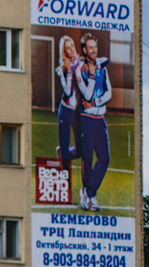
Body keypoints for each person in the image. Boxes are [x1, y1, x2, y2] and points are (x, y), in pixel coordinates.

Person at [75, 32, 112, 211]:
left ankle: (88, 192)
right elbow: (87, 94)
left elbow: (108, 94)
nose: (94, 50)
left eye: (95, 47)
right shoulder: (79, 70)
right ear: (84, 49)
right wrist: (90, 75)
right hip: (86, 119)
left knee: (105, 157)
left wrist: (96, 102)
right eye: (90, 47)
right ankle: (91, 196)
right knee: (88, 158)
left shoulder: (102, 68)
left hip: (100, 119)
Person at [55, 35, 80, 172]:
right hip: (65, 110)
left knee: (81, 148)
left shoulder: (80, 64)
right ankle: (65, 181)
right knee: (65, 145)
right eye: (68, 48)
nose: (71, 50)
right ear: (64, 52)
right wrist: (69, 71)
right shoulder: (62, 70)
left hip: (76, 111)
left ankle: (63, 154)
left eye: (72, 46)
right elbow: (68, 92)